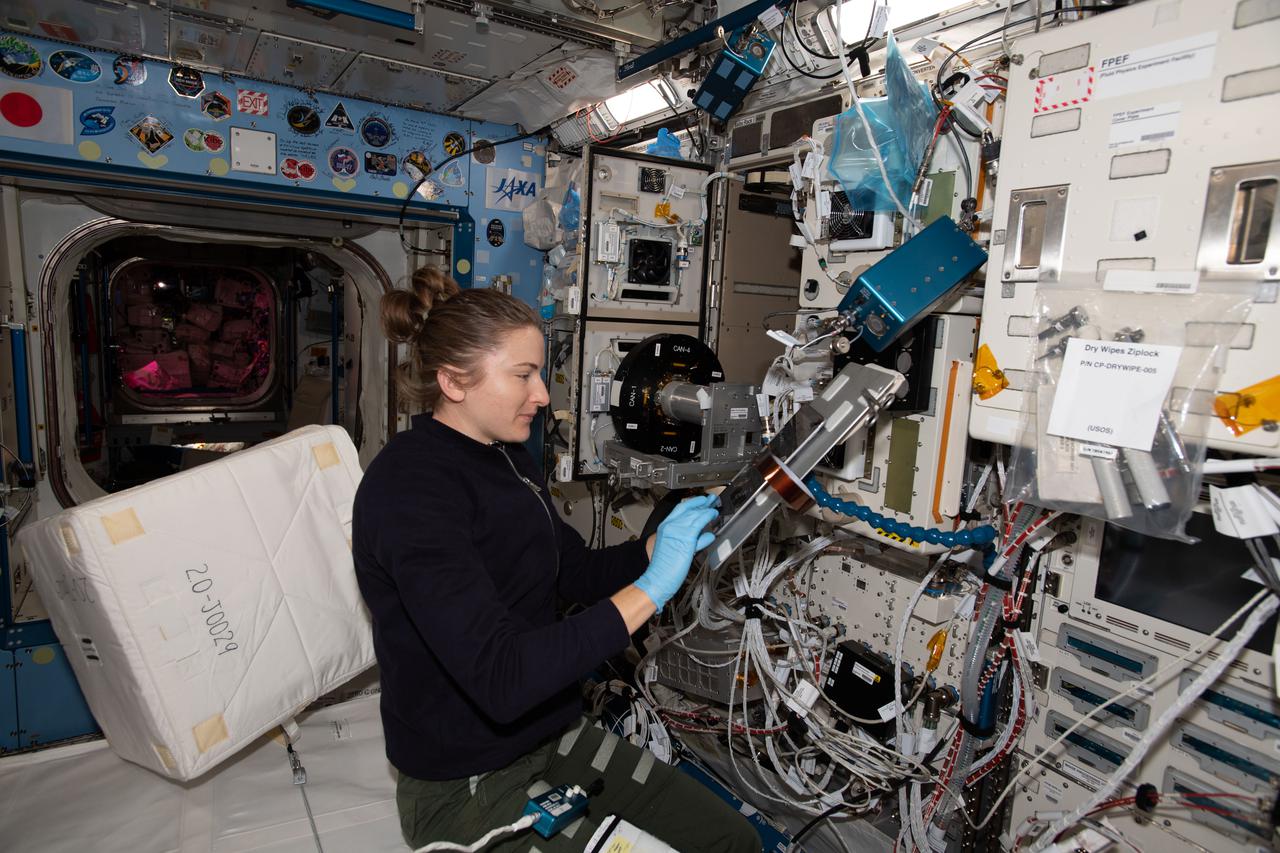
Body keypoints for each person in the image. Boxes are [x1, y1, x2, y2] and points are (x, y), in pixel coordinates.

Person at [353, 268, 761, 852]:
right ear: (453, 381)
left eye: (539, 373)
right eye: (523, 375)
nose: (543, 394)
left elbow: (570, 572)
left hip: (549, 732)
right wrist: (654, 588)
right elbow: (502, 677)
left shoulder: (506, 457)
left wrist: (654, 549)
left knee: (731, 841)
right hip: (466, 776)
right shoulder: (409, 490)